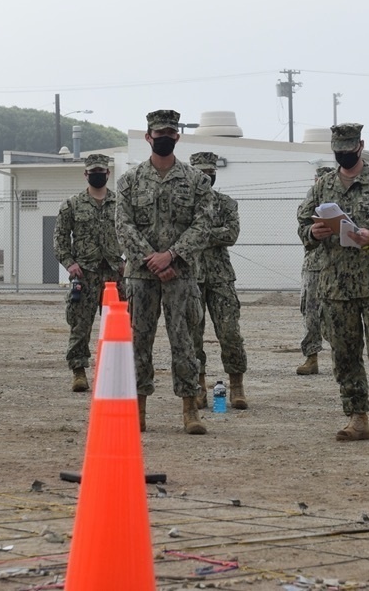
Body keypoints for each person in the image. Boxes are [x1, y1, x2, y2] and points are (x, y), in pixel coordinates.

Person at [297, 123, 369, 444]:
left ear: (360, 146)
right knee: (345, 354)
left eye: (349, 150)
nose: (344, 155)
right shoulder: (322, 187)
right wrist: (313, 233)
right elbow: (303, 223)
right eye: (339, 151)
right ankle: (357, 417)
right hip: (335, 285)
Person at [115, 110, 214, 434]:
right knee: (139, 342)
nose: (165, 138)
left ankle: (190, 410)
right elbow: (123, 224)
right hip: (142, 277)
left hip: (181, 276)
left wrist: (171, 256)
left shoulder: (195, 180)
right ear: (148, 137)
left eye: (170, 133)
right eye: (159, 134)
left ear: (177, 137)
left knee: (184, 341)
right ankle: (139, 410)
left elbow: (203, 224)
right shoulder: (129, 181)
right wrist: (150, 259)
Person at [53, 153, 124, 393]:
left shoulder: (121, 204)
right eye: (92, 171)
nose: (97, 175)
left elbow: (134, 234)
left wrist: (128, 262)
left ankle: (114, 371)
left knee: (118, 327)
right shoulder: (72, 205)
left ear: (108, 174)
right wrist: (70, 264)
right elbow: (60, 240)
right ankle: (79, 372)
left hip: (114, 274)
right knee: (80, 325)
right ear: (85, 174)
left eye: (101, 171)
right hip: (85, 274)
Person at [188, 151, 248, 409]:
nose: (206, 178)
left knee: (230, 333)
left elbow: (231, 234)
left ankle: (236, 386)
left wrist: (197, 234)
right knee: (193, 336)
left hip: (221, 277)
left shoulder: (226, 203)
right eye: (201, 174)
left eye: (209, 174)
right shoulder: (183, 206)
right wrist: (210, 233)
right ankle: (198, 386)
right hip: (191, 276)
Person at [296, 165, 334, 376]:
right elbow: (302, 226)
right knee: (310, 312)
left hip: (337, 265)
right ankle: (311, 357)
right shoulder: (309, 204)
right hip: (313, 265)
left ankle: (341, 355)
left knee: (337, 314)